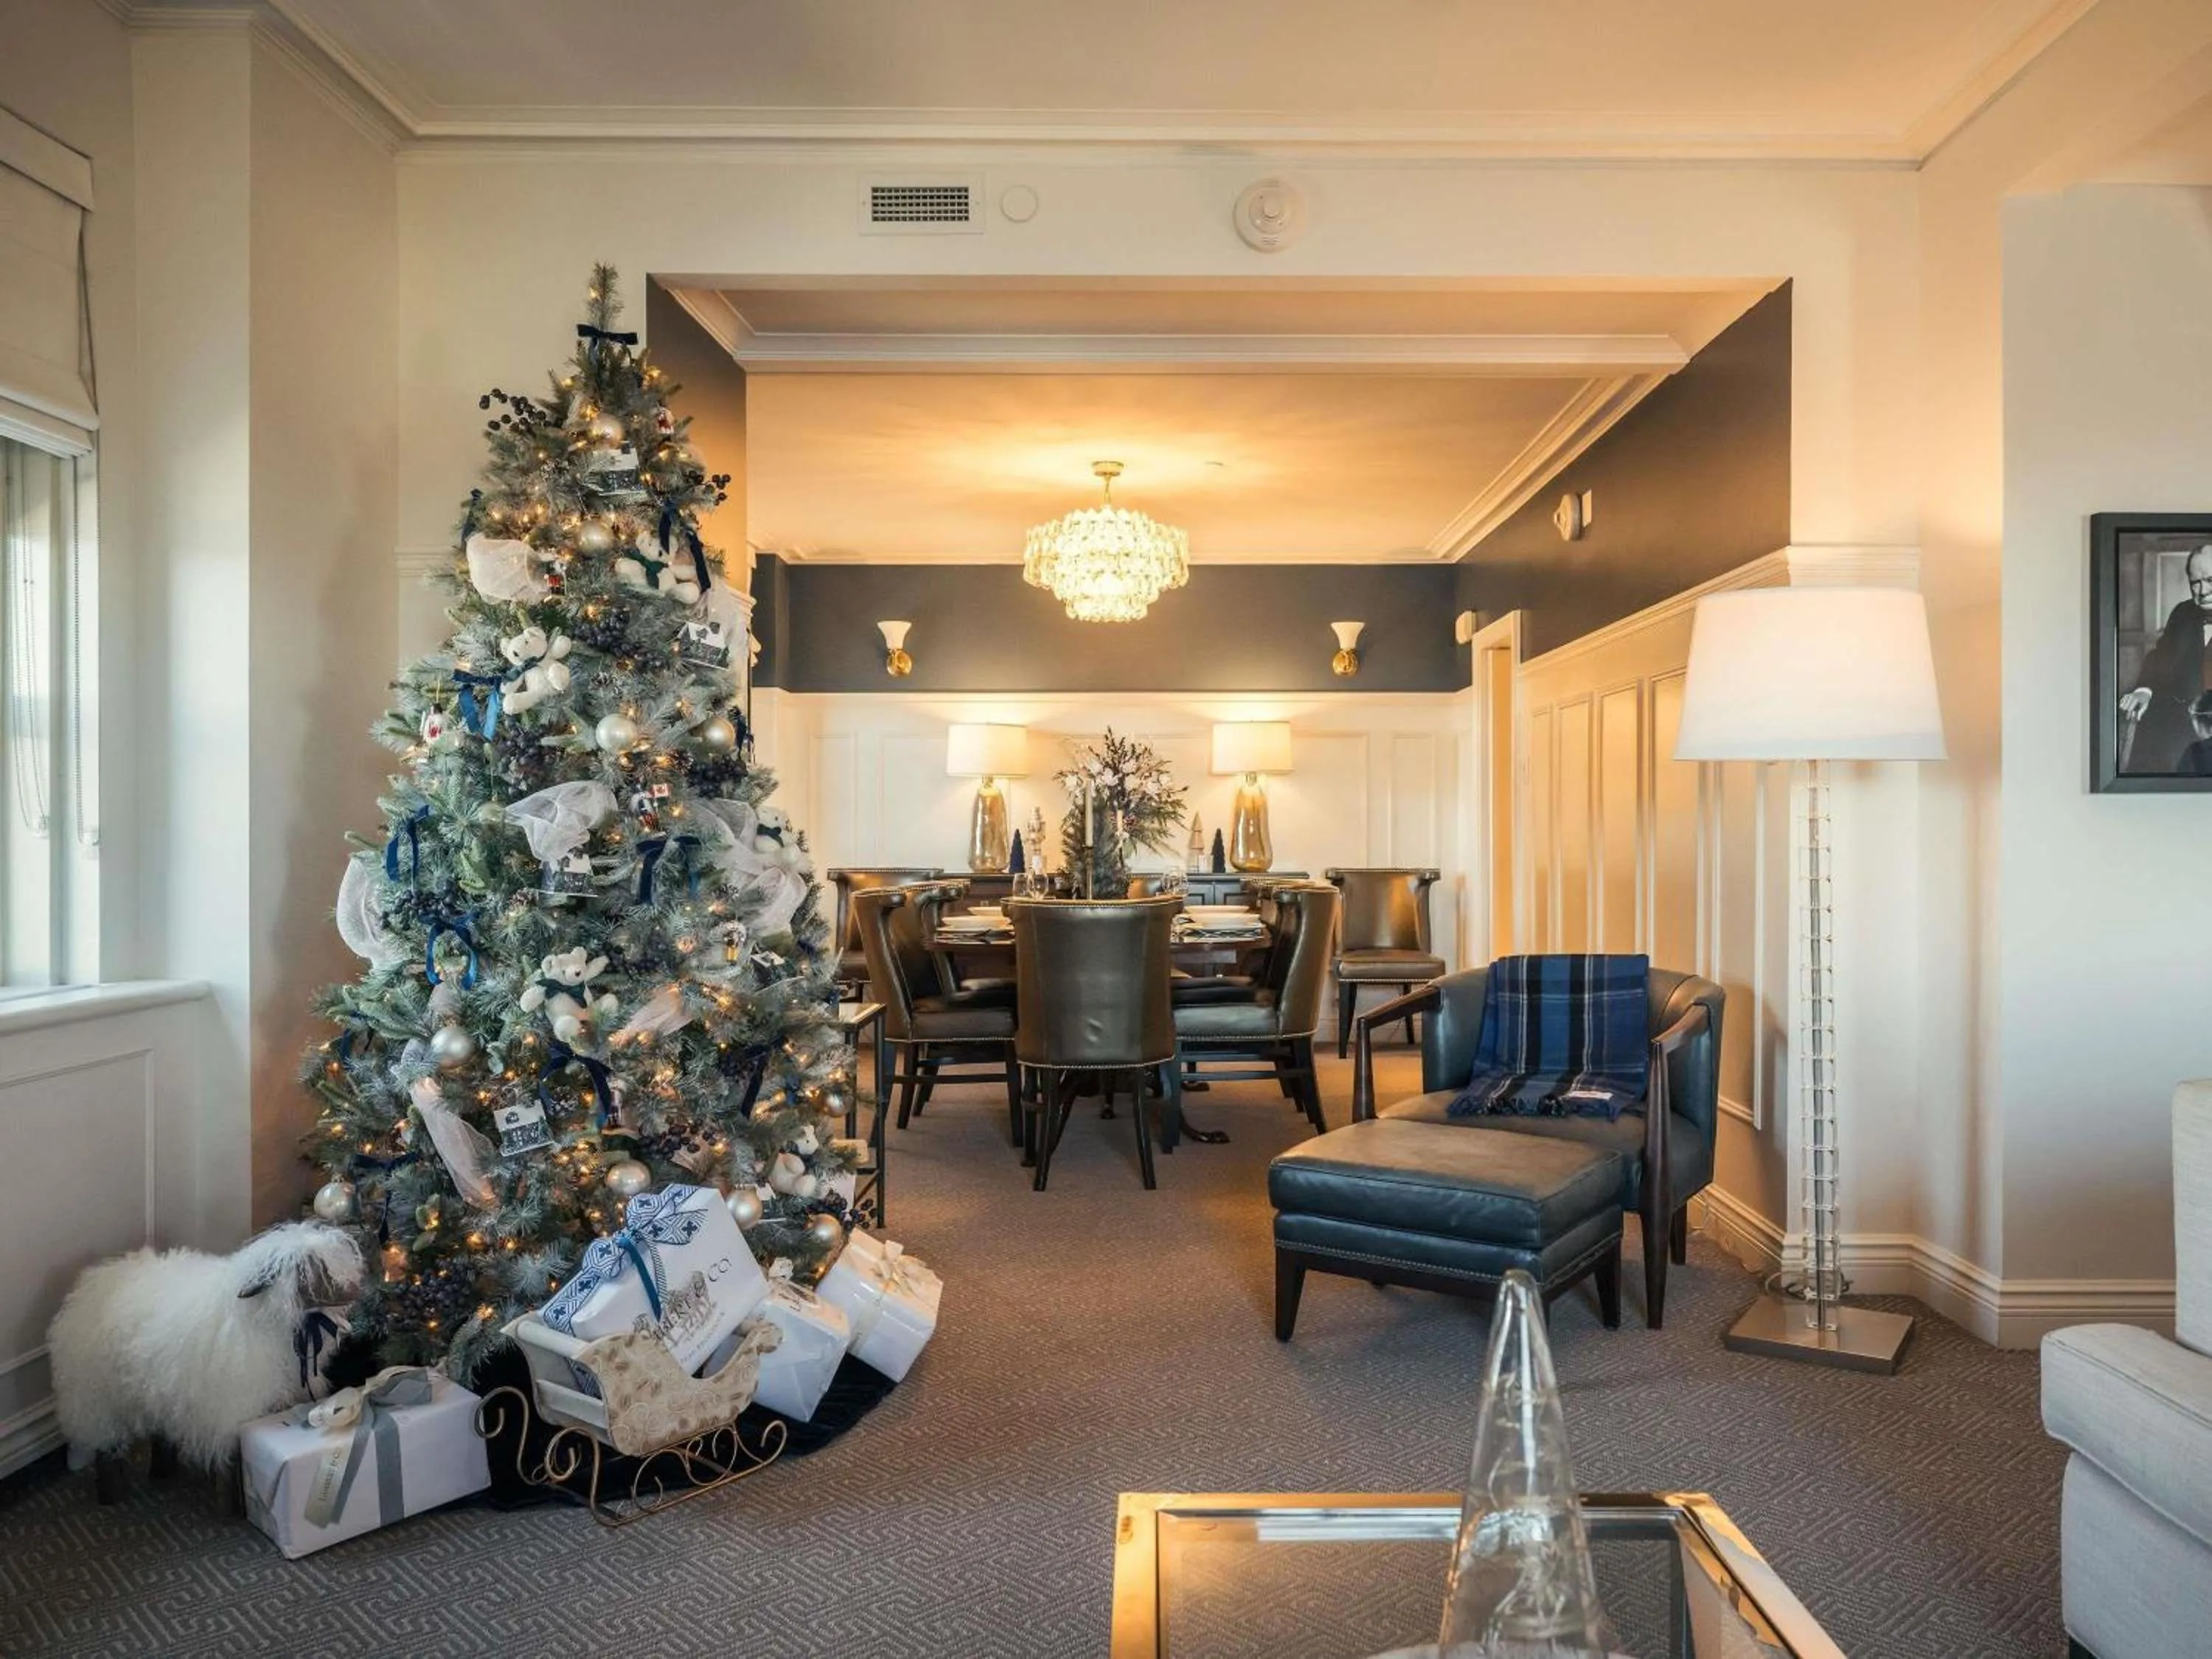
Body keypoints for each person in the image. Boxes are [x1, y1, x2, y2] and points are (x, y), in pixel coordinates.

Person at [2121, 543, 2212, 772]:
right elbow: (2159, 656)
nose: (2202, 591)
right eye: (2195, 583)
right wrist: (2145, 690)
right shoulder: (2183, 613)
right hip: (2186, 728)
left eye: (2211, 580)